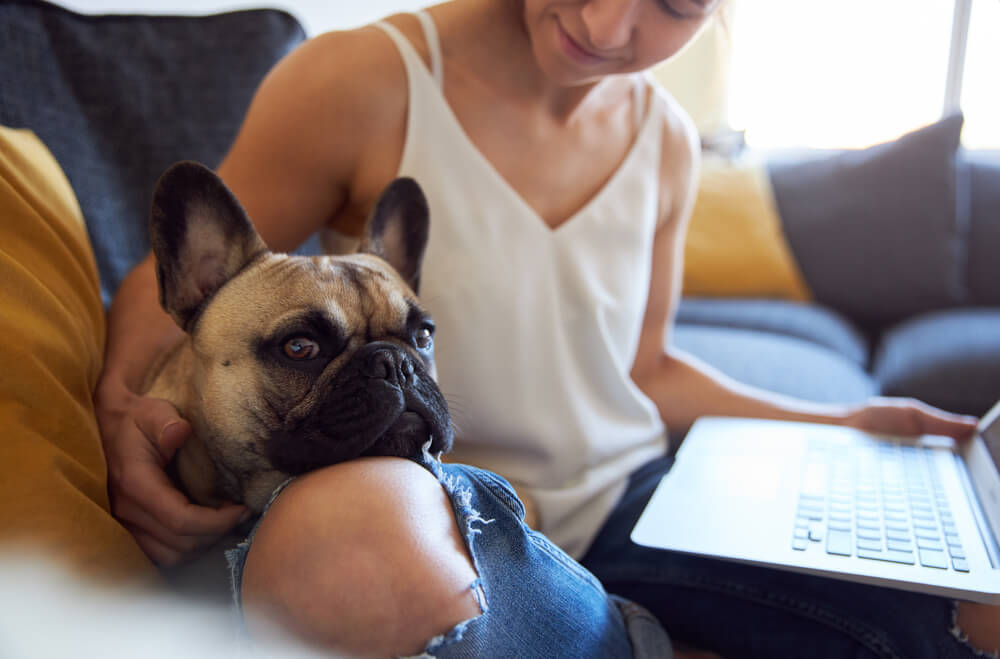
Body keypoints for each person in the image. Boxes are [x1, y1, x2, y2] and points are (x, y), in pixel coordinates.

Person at [95, 0, 999, 656]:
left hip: (639, 505)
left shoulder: (668, 139)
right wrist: (126, 419)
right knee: (356, 558)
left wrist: (843, 425)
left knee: (969, 608)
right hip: (435, 516)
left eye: (674, 5)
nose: (606, 27)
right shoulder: (363, 79)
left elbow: (646, 368)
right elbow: (179, 285)